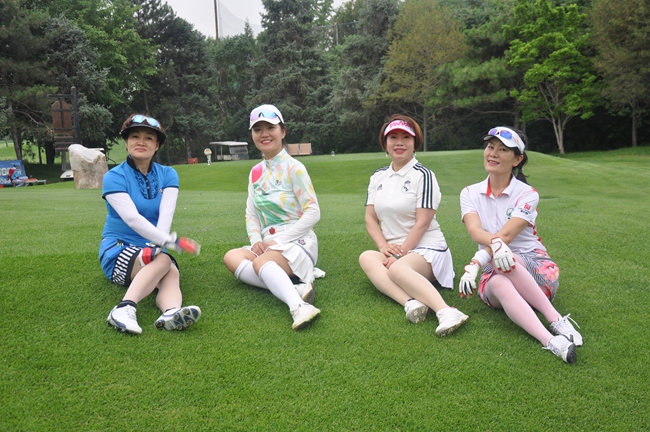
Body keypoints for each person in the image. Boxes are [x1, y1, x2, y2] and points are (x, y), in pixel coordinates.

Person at [458, 126, 583, 363]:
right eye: (490, 147)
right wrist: (482, 262)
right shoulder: (470, 193)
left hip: (536, 270)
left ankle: (555, 319)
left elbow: (505, 237)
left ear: (517, 159)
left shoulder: (528, 194)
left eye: (503, 150)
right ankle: (550, 340)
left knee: (505, 257)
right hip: (495, 271)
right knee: (500, 278)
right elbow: (475, 232)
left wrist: (476, 262)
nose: (493, 153)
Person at [359, 114, 469, 337]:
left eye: (406, 137)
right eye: (393, 137)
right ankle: (411, 303)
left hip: (427, 248)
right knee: (367, 257)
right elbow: (370, 217)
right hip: (397, 251)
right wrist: (383, 246)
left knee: (397, 269)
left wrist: (399, 255)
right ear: (385, 143)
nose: (399, 142)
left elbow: (423, 222)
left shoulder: (424, 175)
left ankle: (446, 311)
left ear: (415, 142)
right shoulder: (378, 176)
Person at [100, 114, 202, 335]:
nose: (141, 142)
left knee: (170, 270)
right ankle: (123, 308)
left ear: (157, 146)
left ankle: (171, 313)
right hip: (117, 250)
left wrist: (160, 243)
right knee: (164, 261)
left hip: (151, 249)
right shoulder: (113, 177)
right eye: (135, 136)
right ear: (126, 142)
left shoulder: (168, 174)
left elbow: (166, 214)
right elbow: (131, 218)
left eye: (149, 138)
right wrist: (170, 242)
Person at [223, 104, 321, 330]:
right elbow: (251, 214)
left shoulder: (294, 167)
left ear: (282, 131)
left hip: (297, 241)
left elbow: (313, 212)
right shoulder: (255, 172)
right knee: (231, 257)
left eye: (270, 127)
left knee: (260, 262)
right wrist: (256, 241)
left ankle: (299, 306)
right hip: (268, 244)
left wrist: (277, 241)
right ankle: (295, 288)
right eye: (257, 129)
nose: (264, 134)